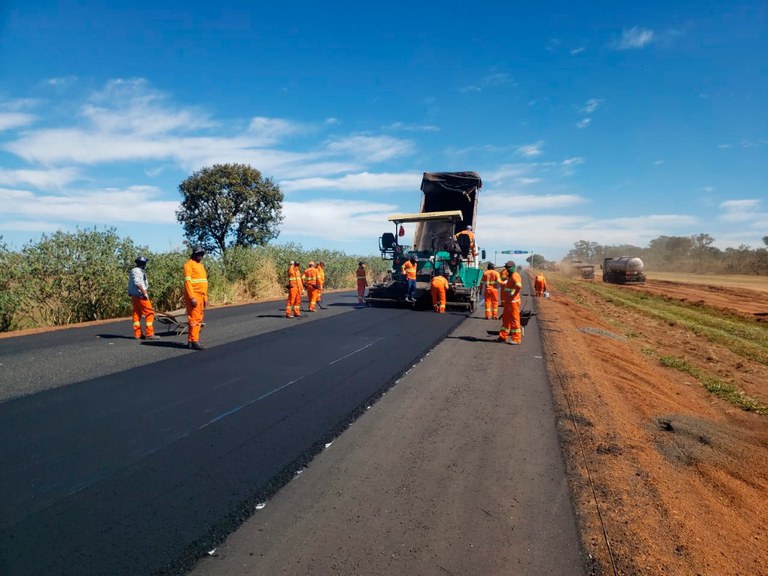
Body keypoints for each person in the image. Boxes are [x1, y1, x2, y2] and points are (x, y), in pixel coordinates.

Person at [127, 256, 159, 341]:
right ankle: (149, 334)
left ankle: (138, 334)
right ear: (142, 264)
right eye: (144, 263)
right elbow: (138, 283)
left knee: (137, 314)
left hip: (135, 296)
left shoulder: (135, 271)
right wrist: (144, 293)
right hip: (140, 295)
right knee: (149, 313)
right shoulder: (137, 271)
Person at [183, 245, 208, 350]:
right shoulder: (189, 265)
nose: (200, 256)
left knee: (198, 318)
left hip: (201, 295)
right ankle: (194, 341)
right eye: (198, 254)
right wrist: (192, 297)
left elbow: (203, 282)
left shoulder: (201, 266)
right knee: (195, 319)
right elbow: (188, 282)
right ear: (194, 254)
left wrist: (205, 297)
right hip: (194, 295)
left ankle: (190, 341)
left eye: (202, 254)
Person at [498, 260, 523, 345]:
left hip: (513, 302)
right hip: (509, 302)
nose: (507, 269)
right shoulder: (511, 275)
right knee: (506, 319)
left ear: (513, 267)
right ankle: (503, 336)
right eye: (506, 267)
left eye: (509, 267)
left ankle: (516, 338)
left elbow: (519, 286)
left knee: (514, 320)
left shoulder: (515, 276)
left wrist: (514, 294)